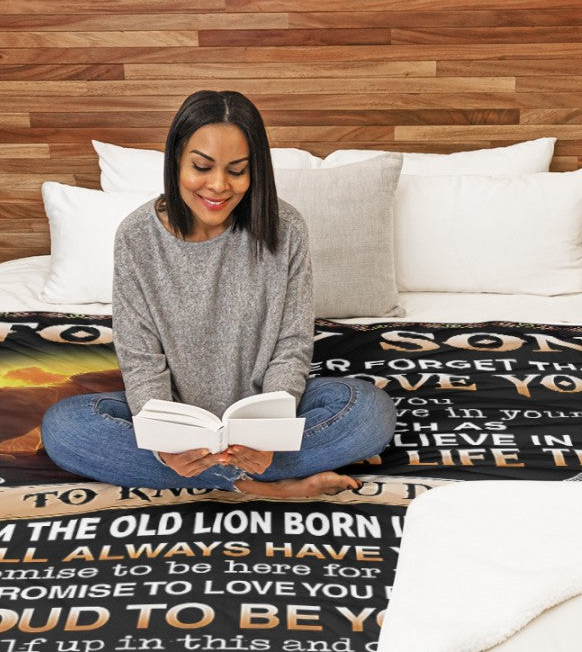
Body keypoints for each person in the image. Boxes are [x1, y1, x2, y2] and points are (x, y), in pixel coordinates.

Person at [41, 90, 397, 498]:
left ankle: (225, 473)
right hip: (175, 416)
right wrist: (166, 445)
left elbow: (292, 344)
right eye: (201, 167)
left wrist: (267, 434)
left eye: (237, 171)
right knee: (65, 429)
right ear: (176, 160)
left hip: (264, 412)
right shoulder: (136, 237)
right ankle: (262, 486)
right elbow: (141, 359)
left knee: (369, 413)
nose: (218, 186)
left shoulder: (286, 229)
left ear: (255, 170)